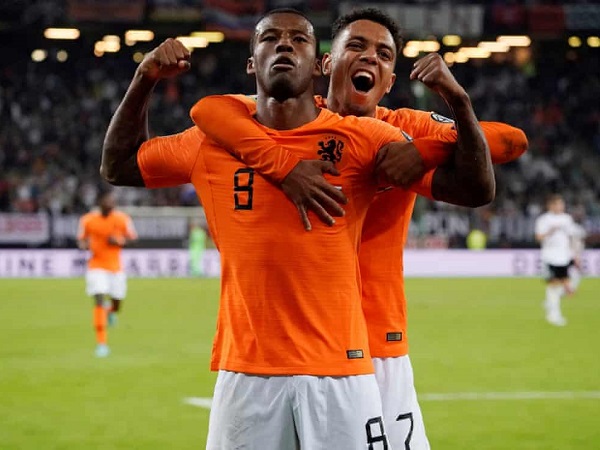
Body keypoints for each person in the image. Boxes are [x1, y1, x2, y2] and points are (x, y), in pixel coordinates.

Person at [101, 9, 469, 449]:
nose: (284, 44)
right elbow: (119, 165)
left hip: (342, 367)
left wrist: (440, 131)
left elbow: (474, 181)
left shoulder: (361, 138)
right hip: (246, 368)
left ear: (317, 66)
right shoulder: (210, 139)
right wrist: (144, 78)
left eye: (299, 39)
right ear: (251, 63)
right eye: (270, 37)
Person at [192, 7, 527, 448]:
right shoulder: (286, 120)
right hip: (293, 354)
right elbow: (210, 111)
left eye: (384, 54)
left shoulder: (400, 129)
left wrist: (424, 148)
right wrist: (277, 162)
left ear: (389, 82)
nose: (370, 57)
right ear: (325, 63)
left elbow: (510, 140)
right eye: (356, 45)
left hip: (377, 346)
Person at [77, 190, 137, 357]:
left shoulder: (122, 219)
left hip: (116, 268)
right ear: (100, 202)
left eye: (112, 201)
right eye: (107, 201)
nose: (111, 204)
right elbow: (81, 239)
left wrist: (119, 241)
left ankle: (110, 312)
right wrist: (83, 245)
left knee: (117, 303)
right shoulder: (88, 220)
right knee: (99, 298)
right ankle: (101, 344)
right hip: (96, 266)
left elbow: (133, 239)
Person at [535, 194, 579, 326]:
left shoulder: (567, 219)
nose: (561, 206)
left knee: (572, 281)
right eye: (558, 204)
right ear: (551, 205)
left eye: (562, 204)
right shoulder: (544, 219)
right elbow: (538, 237)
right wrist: (550, 232)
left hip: (565, 256)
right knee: (553, 284)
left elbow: (572, 237)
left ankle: (551, 302)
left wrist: (575, 254)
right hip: (550, 256)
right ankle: (553, 315)